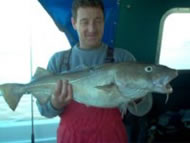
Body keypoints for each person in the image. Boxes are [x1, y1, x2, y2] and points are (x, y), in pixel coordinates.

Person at [37, 0, 152, 142]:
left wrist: (137, 95)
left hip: (111, 137)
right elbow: (44, 111)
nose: (92, 28)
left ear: (104, 22)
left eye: (98, 21)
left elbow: (143, 109)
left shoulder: (123, 58)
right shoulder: (58, 61)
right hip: (71, 138)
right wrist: (56, 104)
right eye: (85, 22)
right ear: (74, 23)